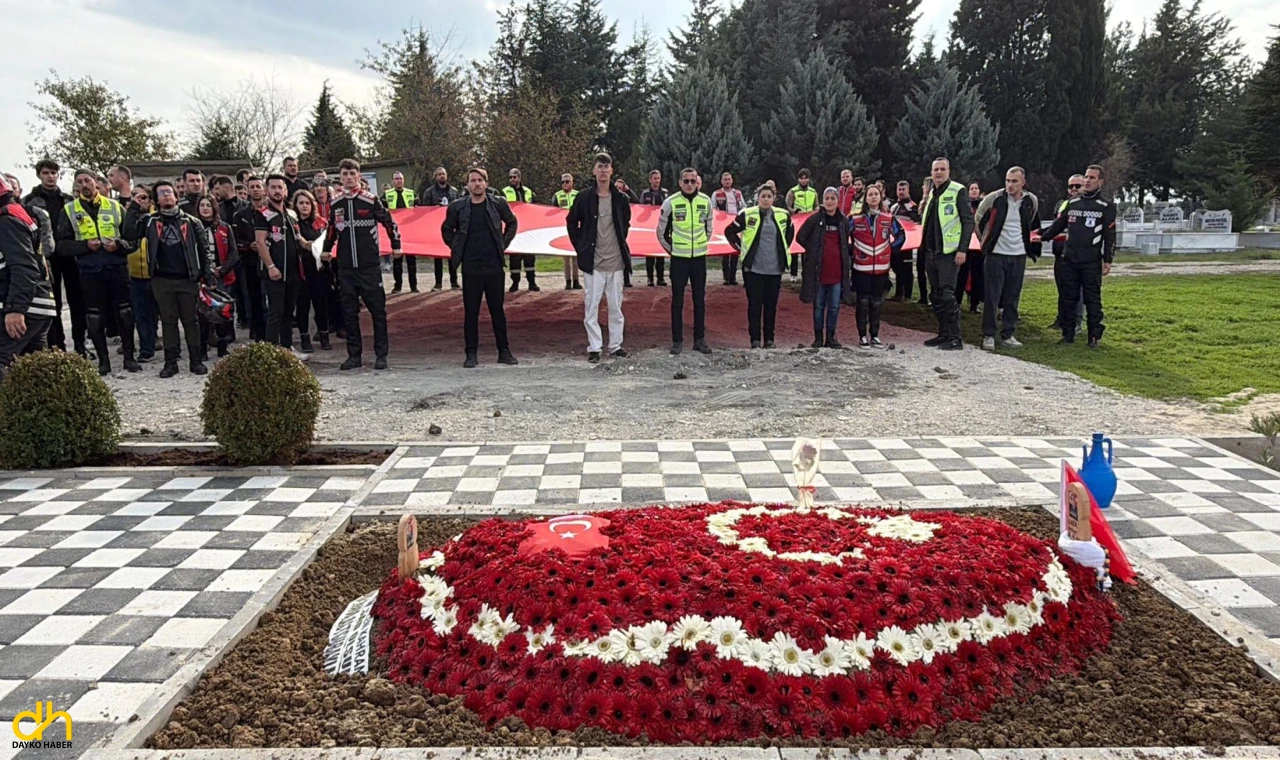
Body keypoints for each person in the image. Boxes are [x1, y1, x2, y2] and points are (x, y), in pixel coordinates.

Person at [124, 180, 214, 377]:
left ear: (176, 196)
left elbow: (204, 250)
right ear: (156, 199)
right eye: (161, 193)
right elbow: (129, 234)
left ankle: (195, 360)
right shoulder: (149, 221)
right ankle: (171, 363)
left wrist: (208, 276)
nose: (165, 195)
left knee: (191, 321)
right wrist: (134, 207)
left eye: (168, 192)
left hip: (188, 279)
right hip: (161, 280)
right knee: (168, 321)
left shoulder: (192, 221)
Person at [56, 169, 140, 374]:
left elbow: (133, 240)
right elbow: (61, 246)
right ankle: (104, 361)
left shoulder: (114, 206)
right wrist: (85, 246)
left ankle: (129, 357)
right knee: (94, 316)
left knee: (125, 312)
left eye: (88, 180)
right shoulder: (68, 210)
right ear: (76, 186)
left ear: (96, 182)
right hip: (89, 270)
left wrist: (118, 245)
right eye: (80, 182)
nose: (84, 184)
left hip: (116, 266)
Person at [324, 159, 400, 370]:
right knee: (349, 312)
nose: (348, 177)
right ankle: (354, 356)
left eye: (352, 173)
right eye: (344, 174)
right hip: (346, 267)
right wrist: (326, 249)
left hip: (369, 266)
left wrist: (396, 245)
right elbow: (332, 229)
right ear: (340, 176)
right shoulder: (336, 202)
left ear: (359, 176)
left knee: (378, 311)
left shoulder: (371, 199)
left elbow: (389, 222)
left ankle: (381, 354)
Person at [442, 168, 519, 368]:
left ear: (486, 183)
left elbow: (512, 222)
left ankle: (504, 351)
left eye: (479, 180)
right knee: (471, 312)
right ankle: (471, 353)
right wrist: (457, 248)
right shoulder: (457, 207)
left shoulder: (498, 203)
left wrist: (503, 244)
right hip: (470, 268)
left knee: (497, 311)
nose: (476, 184)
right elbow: (446, 230)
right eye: (472, 181)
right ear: (467, 185)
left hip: (494, 266)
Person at [567, 153, 631, 364]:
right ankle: (594, 347)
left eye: (607, 167)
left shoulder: (621, 199)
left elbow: (625, 224)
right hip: (593, 263)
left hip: (616, 263)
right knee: (591, 307)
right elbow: (571, 222)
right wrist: (581, 247)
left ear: (612, 171)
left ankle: (615, 345)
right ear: (594, 171)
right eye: (599, 167)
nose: (603, 170)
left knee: (615, 307)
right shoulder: (584, 198)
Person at [1042, 164, 1115, 348]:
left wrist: (1108, 260)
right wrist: (1038, 236)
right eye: (1086, 177)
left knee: (1092, 300)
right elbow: (1057, 226)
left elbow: (1110, 235)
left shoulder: (1106, 206)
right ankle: (1067, 335)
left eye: (1092, 178)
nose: (1087, 181)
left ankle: (1093, 337)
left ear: (1100, 182)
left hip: (1091, 261)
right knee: (1068, 297)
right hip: (1069, 259)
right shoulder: (1072, 203)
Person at [24, 159, 87, 358]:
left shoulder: (69, 200)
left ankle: (80, 344)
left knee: (78, 301)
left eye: (53, 173)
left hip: (70, 255)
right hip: (47, 259)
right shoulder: (29, 202)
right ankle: (57, 346)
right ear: (39, 175)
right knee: (54, 304)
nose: (50, 176)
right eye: (46, 173)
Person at [973, 167, 1040, 350]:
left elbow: (1031, 223)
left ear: (1023, 182)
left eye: (1014, 181)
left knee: (1012, 296)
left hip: (1018, 254)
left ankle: (1009, 333)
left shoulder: (1030, 201)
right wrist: (984, 243)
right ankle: (988, 334)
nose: (1010, 185)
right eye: (1008, 180)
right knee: (991, 296)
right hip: (996, 254)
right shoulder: (994, 199)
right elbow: (978, 221)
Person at [0, 174, 57, 380]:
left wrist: (16, 309)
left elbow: (24, 268)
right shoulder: (15, 216)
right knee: (34, 373)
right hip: (38, 304)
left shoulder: (6, 222)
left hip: (28, 306)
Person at [725, 184, 794, 349]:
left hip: (774, 269)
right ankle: (755, 339)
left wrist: (781, 251)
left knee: (771, 306)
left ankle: (769, 339)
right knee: (755, 305)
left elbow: (789, 234)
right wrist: (742, 249)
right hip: (753, 269)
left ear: (774, 198)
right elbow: (729, 231)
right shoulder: (747, 214)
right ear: (758, 198)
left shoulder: (783, 215)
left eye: (769, 196)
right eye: (763, 196)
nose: (765, 199)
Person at [920, 157, 975, 351]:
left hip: (949, 254)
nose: (939, 173)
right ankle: (943, 333)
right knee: (935, 295)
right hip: (931, 252)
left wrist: (962, 249)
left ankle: (955, 337)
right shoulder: (932, 194)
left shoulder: (957, 191)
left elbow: (968, 222)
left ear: (949, 171)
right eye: (936, 170)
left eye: (942, 169)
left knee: (947, 295)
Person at [659, 168, 714, 355]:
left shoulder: (706, 201)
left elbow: (709, 229)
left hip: (699, 259)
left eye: (693, 181)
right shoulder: (670, 202)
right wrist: (673, 250)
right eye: (686, 181)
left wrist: (700, 245)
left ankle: (700, 340)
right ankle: (677, 341)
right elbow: (661, 233)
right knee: (678, 301)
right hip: (679, 260)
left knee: (700, 300)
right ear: (680, 182)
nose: (690, 184)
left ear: (697, 182)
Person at [253, 175, 307, 354]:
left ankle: (286, 348)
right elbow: (260, 242)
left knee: (288, 312)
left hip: (293, 272)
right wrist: (270, 267)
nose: (277, 191)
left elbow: (299, 238)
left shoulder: (292, 214)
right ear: (267, 191)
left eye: (280, 187)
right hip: (275, 272)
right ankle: (270, 352)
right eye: (273, 187)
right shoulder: (263, 215)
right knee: (275, 312)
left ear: (285, 190)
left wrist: (313, 245)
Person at [850, 184, 905, 349]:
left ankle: (875, 335)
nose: (873, 197)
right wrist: (851, 251)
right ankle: (862, 336)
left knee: (876, 302)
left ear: (880, 197)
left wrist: (892, 250)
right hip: (861, 268)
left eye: (876, 194)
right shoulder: (855, 219)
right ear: (865, 199)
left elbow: (901, 235)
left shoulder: (888, 219)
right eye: (870, 194)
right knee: (863, 302)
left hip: (881, 268)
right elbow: (843, 234)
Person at [798, 187, 853, 349]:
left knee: (835, 305)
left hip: (837, 272)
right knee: (819, 305)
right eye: (827, 198)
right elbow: (800, 237)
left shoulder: (843, 221)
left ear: (837, 201)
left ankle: (831, 336)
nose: (829, 201)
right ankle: (818, 337)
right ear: (823, 200)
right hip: (818, 271)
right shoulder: (814, 219)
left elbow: (845, 242)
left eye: (832, 198)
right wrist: (813, 249)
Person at [194, 195, 238, 357]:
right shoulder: (192, 227)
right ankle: (202, 348)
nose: (205, 208)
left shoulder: (225, 227)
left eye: (208, 205)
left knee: (223, 313)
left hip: (223, 277)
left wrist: (222, 269)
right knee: (203, 315)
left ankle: (222, 346)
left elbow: (234, 253)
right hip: (202, 278)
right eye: (202, 205)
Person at [292, 189, 330, 352]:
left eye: (307, 203)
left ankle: (324, 336)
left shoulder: (321, 222)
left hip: (320, 270)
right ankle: (305, 338)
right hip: (301, 271)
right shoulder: (292, 223)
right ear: (296, 205)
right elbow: (300, 243)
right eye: (301, 203)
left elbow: (330, 241)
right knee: (303, 306)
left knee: (321, 304)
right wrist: (306, 244)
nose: (304, 206)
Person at [124, 184, 158, 363]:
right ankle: (147, 348)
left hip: (156, 273)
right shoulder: (129, 215)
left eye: (143, 197)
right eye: (136, 196)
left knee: (159, 312)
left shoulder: (156, 215)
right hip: (136, 273)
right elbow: (127, 234)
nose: (139, 200)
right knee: (141, 313)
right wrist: (133, 209)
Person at [232, 176, 268, 340]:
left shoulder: (272, 211)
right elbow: (234, 240)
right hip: (250, 262)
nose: (255, 189)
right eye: (251, 186)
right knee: (253, 298)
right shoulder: (240, 215)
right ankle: (257, 330)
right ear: (247, 190)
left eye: (258, 186)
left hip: (271, 261)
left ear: (263, 189)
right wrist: (248, 245)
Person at [1049, 174, 1086, 332]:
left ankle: (1076, 321)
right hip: (1060, 252)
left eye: (1078, 186)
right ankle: (1061, 319)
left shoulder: (1088, 206)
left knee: (1076, 290)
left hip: (1077, 254)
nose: (1074, 189)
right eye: (1071, 186)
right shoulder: (1063, 204)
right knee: (1062, 288)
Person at [421, 167, 461, 290]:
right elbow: (424, 210)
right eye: (439, 174)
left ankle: (454, 281)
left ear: (446, 175)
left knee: (451, 253)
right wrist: (434, 208)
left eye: (443, 174)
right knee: (437, 256)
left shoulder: (454, 191)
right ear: (436, 176)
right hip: (436, 228)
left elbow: (459, 207)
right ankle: (438, 283)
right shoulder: (429, 192)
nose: (441, 176)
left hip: (451, 227)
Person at [502, 168, 537, 292]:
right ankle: (515, 283)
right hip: (514, 229)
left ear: (519, 178)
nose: (512, 179)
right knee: (514, 259)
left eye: (514, 177)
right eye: (510, 177)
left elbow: (535, 208)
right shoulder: (504, 192)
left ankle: (532, 282)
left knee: (529, 258)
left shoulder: (528, 191)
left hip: (528, 229)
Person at [384, 171, 418, 294]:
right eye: (396, 178)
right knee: (397, 260)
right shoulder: (386, 194)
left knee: (411, 261)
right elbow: (382, 212)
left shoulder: (411, 193)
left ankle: (414, 286)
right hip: (395, 231)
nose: (398, 180)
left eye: (400, 178)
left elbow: (419, 210)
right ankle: (397, 286)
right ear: (393, 181)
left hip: (410, 231)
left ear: (403, 180)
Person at [711, 172, 747, 286]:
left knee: (735, 249)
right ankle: (726, 277)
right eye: (725, 179)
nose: (727, 181)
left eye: (729, 179)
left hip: (735, 225)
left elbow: (744, 207)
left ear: (732, 180)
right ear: (721, 181)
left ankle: (733, 277)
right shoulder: (717, 194)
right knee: (725, 251)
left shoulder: (738, 193)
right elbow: (713, 208)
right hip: (723, 224)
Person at [955, 181, 985, 313]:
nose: (974, 190)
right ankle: (957, 302)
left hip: (979, 247)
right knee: (961, 276)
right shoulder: (964, 204)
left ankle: (974, 304)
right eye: (971, 188)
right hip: (965, 246)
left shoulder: (984, 206)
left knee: (978, 276)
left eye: (976, 188)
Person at [889, 180, 919, 302]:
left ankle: (907, 296)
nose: (901, 192)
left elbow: (917, 223)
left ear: (908, 190)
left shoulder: (913, 206)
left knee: (907, 269)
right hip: (895, 243)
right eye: (899, 190)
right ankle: (898, 294)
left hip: (907, 243)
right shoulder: (894, 207)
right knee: (896, 267)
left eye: (903, 190)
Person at [639, 170, 669, 287]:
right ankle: (650, 278)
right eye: (654, 178)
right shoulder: (645, 193)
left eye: (658, 178)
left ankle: (660, 278)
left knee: (660, 253)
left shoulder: (665, 193)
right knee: (650, 254)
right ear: (650, 180)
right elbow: (641, 209)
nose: (656, 180)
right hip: (649, 227)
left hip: (662, 226)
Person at [554, 174, 582, 291]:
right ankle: (568, 281)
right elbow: (552, 211)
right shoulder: (557, 196)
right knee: (566, 258)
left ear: (572, 182)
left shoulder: (578, 194)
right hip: (562, 229)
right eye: (563, 182)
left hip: (576, 228)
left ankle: (576, 280)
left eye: (567, 181)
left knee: (576, 256)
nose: (564, 184)